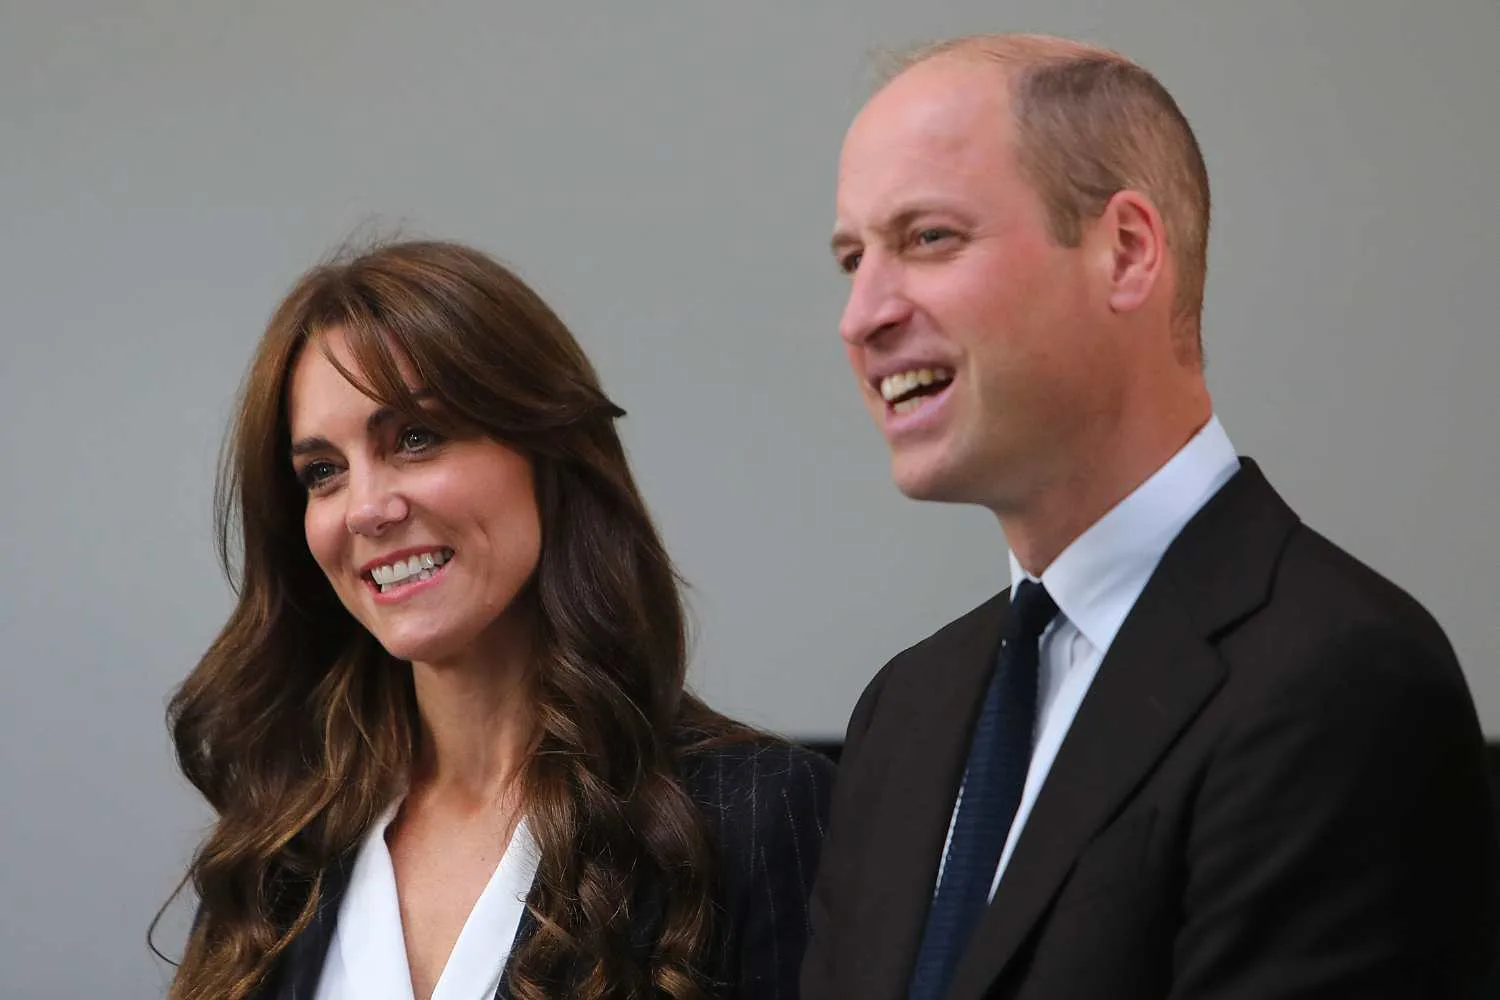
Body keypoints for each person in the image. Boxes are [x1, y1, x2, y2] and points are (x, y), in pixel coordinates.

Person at [803, 33, 1498, 1000]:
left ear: (1126, 252)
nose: (862, 313)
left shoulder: (1341, 683)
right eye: (850, 257)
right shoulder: (904, 712)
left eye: (928, 239)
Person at [160, 239, 833, 1000]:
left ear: (549, 451)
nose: (368, 510)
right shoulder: (278, 852)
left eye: (415, 438)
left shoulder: (753, 815)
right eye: (323, 472)